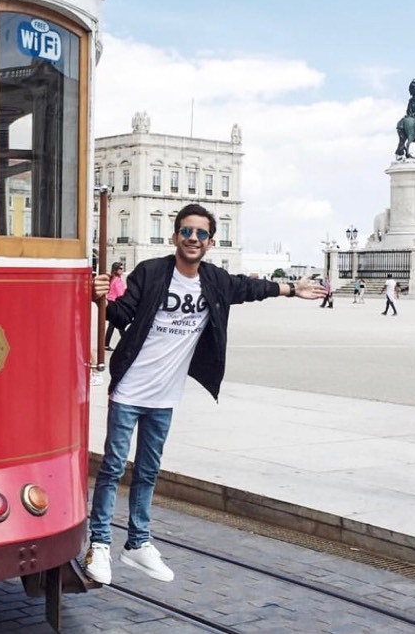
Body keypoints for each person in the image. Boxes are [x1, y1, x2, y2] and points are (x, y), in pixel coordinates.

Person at [85, 203, 326, 585]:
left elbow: (250, 288)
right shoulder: (151, 272)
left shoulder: (213, 280)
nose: (193, 238)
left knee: (148, 471)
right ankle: (99, 544)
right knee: (114, 467)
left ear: (210, 242)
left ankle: (137, 544)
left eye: (200, 233)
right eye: (186, 231)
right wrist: (97, 296)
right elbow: (120, 314)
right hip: (130, 390)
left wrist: (291, 289)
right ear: (174, 237)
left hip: (165, 396)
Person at [104, 262, 126, 350]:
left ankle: (106, 344)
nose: (122, 270)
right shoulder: (117, 280)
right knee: (119, 324)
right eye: (120, 268)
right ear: (116, 270)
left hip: (111, 303)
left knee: (114, 325)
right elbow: (120, 293)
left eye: (123, 268)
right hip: (116, 304)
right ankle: (126, 343)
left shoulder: (113, 279)